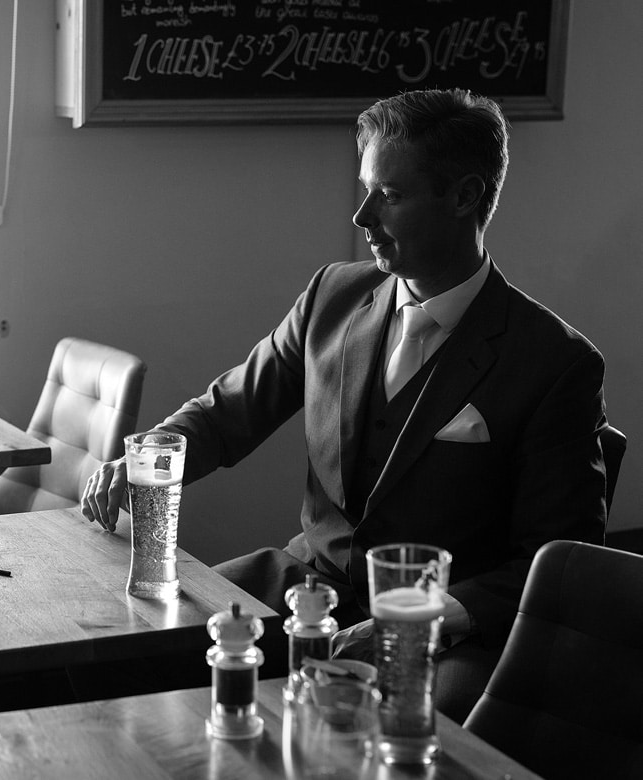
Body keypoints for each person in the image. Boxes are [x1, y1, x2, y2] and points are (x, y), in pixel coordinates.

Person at [81, 88, 608, 719]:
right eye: (365, 189)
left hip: (444, 631)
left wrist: (425, 619)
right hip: (304, 587)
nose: (362, 217)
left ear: (465, 196)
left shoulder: (556, 364)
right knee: (130, 648)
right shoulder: (332, 294)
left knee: (429, 734)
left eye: (389, 195)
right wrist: (138, 461)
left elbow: (559, 560)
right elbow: (227, 413)